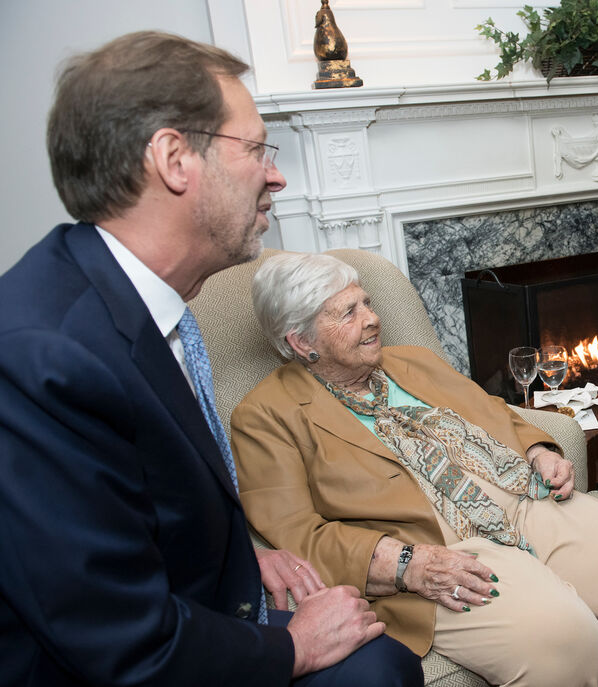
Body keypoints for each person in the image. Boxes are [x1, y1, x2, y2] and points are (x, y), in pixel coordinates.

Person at [0, 31, 421, 686]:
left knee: (382, 657)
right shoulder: (44, 358)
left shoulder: (142, 301)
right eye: (255, 148)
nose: (276, 174)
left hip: (191, 610)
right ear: (174, 159)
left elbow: (154, 511)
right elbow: (122, 641)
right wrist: (294, 649)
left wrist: (251, 559)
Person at [229, 251, 598, 687]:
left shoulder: (412, 362)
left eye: (366, 302)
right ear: (302, 341)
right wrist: (404, 564)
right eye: (348, 313)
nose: (371, 318)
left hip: (515, 496)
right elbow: (297, 535)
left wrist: (537, 452)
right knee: (560, 635)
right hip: (433, 548)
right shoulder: (266, 416)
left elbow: (493, 411)